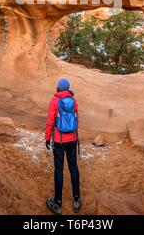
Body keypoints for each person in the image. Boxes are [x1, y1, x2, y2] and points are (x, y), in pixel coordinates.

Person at [45, 77, 81, 215]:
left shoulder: (55, 101)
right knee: (73, 168)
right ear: (68, 88)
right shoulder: (74, 101)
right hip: (72, 140)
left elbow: (50, 121)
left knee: (58, 170)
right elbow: (77, 119)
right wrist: (74, 136)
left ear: (59, 88)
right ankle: (77, 199)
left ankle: (58, 203)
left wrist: (48, 137)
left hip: (59, 141)